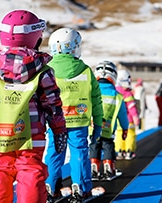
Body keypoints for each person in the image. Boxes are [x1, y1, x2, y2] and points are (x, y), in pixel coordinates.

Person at [0, 10, 68, 203]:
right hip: (31, 137)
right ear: (34, 37)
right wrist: (59, 130)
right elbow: (53, 106)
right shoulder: (42, 73)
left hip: (0, 136)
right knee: (30, 173)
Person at [44, 28, 103, 201]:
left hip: (55, 122)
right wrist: (98, 123)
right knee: (79, 153)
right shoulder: (85, 71)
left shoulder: (47, 70)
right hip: (78, 121)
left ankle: (51, 186)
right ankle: (81, 188)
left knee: (54, 152)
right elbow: (96, 100)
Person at [90, 61, 129, 181]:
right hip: (108, 129)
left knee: (94, 146)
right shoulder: (117, 96)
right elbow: (122, 114)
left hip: (93, 127)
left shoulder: (91, 92)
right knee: (108, 147)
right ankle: (108, 168)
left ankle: (94, 169)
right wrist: (125, 127)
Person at [115, 70, 140, 160]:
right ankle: (129, 151)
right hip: (129, 120)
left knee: (119, 135)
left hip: (118, 121)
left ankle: (120, 151)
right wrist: (136, 117)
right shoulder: (128, 93)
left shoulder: (115, 92)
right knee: (130, 135)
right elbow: (132, 108)